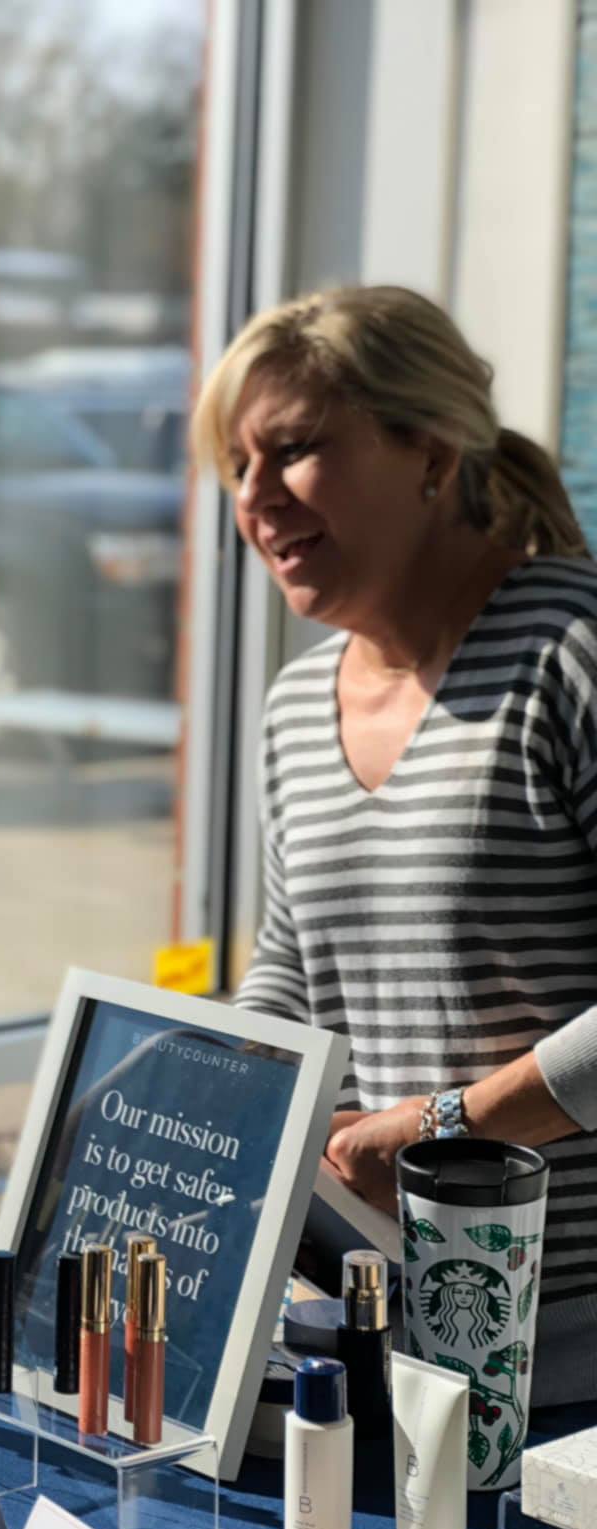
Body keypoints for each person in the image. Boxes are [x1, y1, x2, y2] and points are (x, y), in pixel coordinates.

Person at [193, 283, 597, 1406]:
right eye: (237, 465)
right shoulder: (294, 705)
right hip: (368, 1353)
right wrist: (224, 1096)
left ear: (428, 452)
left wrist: (440, 1129)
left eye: (294, 450)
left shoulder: (571, 653)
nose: (253, 498)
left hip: (572, 1380)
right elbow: (290, 970)